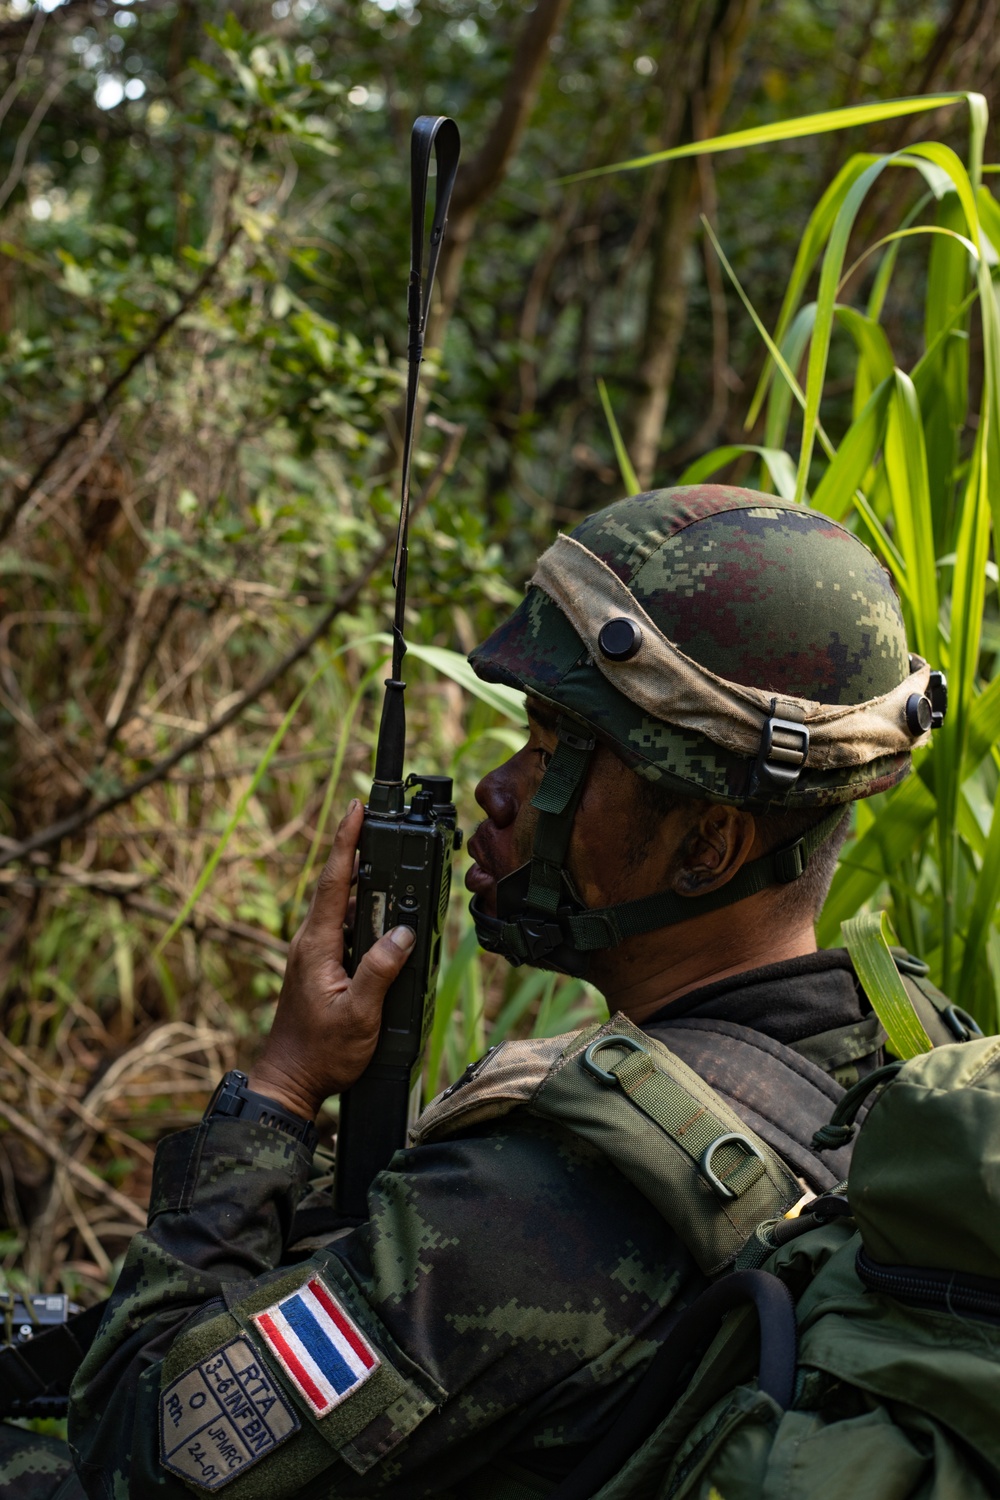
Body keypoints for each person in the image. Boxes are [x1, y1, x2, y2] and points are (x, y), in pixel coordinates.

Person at [67, 485, 948, 1499]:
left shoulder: (530, 1209)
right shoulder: (903, 1059)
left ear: (707, 844)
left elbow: (139, 1443)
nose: (496, 789)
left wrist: (281, 1087)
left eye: (550, 753)